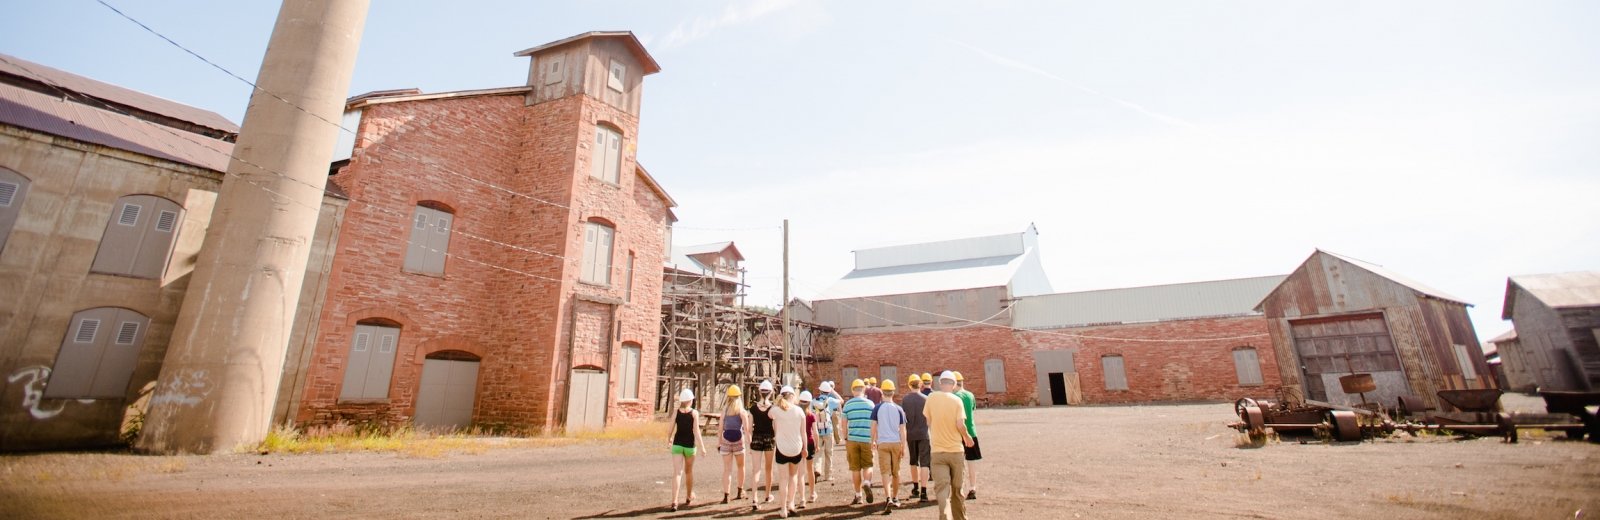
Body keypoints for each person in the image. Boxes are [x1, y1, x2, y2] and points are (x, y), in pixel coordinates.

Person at [926, 371, 975, 520]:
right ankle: (960, 518)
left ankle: (945, 516)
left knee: (942, 490)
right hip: (955, 451)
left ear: (940, 383)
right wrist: (967, 437)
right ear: (954, 385)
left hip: (938, 452)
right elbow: (960, 424)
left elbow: (928, 422)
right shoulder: (956, 400)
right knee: (957, 490)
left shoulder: (931, 398)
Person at [769, 385, 809, 518]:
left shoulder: (776, 411)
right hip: (796, 448)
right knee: (793, 477)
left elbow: (769, 413)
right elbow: (803, 433)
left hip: (782, 448)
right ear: (793, 396)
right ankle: (791, 503)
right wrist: (805, 448)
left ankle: (783, 509)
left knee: (783, 479)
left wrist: (776, 402)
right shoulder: (799, 411)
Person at [870, 378, 908, 513]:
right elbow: (903, 430)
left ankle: (888, 497)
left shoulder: (877, 408)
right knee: (896, 472)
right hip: (896, 442)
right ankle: (896, 497)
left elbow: (873, 426)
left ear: (882, 393)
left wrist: (872, 441)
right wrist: (903, 446)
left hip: (883, 443)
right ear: (893, 393)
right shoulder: (899, 409)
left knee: (885, 472)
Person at [667, 388, 704, 512]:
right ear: (690, 400)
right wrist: (702, 447)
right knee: (689, 472)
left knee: (677, 473)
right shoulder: (694, 413)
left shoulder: (676, 412)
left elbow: (671, 427)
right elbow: (696, 431)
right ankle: (688, 496)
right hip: (689, 445)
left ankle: (674, 501)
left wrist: (669, 439)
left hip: (677, 444)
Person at [842, 378, 877, 505]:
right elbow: (874, 424)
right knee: (868, 465)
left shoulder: (848, 405)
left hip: (852, 439)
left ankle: (858, 495)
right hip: (867, 439)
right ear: (864, 389)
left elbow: (844, 424)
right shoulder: (870, 404)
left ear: (852, 390)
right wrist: (874, 439)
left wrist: (846, 438)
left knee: (855, 468)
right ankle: (867, 482)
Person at [900, 374, 932, 503]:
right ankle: (924, 492)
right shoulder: (926, 399)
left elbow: (903, 419)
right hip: (924, 434)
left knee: (913, 461)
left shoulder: (905, 400)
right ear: (920, 384)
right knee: (924, 463)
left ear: (909, 384)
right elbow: (929, 419)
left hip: (911, 434)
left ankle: (916, 488)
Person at [719, 385, 752, 504]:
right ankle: (740, 491)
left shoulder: (725, 410)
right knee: (741, 467)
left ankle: (726, 495)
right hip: (738, 440)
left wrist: (719, 442)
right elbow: (747, 430)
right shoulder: (742, 411)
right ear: (739, 397)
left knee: (727, 470)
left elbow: (720, 428)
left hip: (726, 440)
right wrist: (751, 444)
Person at [749, 380, 777, 509]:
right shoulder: (773, 409)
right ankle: (767, 494)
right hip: (769, 438)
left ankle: (754, 498)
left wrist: (749, 442)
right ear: (771, 393)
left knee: (756, 470)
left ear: (759, 392)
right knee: (768, 468)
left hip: (756, 438)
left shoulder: (753, 409)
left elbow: (749, 428)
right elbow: (775, 427)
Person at [954, 372, 981, 501]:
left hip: (958, 433)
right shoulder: (970, 395)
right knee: (971, 462)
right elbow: (973, 409)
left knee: (958, 463)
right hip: (972, 431)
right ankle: (973, 487)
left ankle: (959, 488)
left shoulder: (954, 397)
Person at [814, 381, 842, 482]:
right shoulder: (830, 400)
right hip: (828, 429)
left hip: (817, 430)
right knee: (829, 453)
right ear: (828, 391)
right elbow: (841, 401)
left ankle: (816, 469)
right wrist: (833, 391)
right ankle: (828, 475)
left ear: (820, 390)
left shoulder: (814, 401)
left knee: (818, 452)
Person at [798, 390, 820, 506]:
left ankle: (802, 498)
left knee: (800, 471)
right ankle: (812, 494)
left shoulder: (796, 413)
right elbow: (815, 432)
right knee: (810, 469)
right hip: (810, 442)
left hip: (798, 443)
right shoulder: (811, 415)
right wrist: (817, 445)